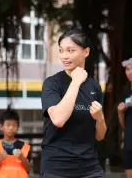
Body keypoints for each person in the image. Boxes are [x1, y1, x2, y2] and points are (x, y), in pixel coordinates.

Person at [41, 28, 107, 178]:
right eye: (61, 51)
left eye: (71, 50)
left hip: (90, 167)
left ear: (86, 52)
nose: (65, 56)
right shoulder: (52, 84)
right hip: (57, 168)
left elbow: (100, 136)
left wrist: (100, 118)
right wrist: (76, 81)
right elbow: (58, 119)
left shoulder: (94, 87)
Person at [0, 110, 31, 178]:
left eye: (14, 125)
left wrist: (22, 158)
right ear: (1, 127)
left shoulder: (25, 147)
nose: (11, 128)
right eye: (8, 125)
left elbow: (28, 168)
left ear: (18, 127)